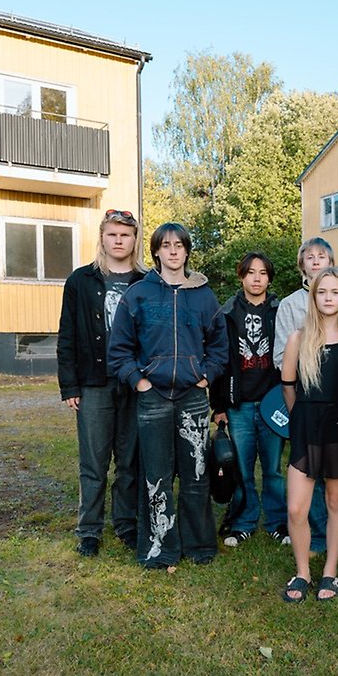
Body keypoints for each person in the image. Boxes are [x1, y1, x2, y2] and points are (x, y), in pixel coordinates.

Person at [108, 222, 228, 568]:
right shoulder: (139, 294)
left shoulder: (204, 296)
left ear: (187, 251)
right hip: (153, 396)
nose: (173, 251)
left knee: (196, 473)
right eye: (166, 245)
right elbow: (119, 350)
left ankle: (199, 544)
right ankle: (159, 547)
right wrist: (139, 382)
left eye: (179, 245)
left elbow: (219, 347)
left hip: (192, 396)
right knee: (156, 474)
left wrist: (205, 377)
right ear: (156, 252)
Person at [57, 208, 145, 557]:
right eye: (112, 234)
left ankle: (126, 524)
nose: (119, 240)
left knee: (129, 461)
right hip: (93, 383)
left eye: (125, 235)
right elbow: (67, 335)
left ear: (134, 240)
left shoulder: (146, 281)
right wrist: (70, 385)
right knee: (93, 463)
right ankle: (89, 530)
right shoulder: (81, 281)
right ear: (102, 238)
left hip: (134, 383)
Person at [274, 238, 338, 565]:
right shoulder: (299, 337)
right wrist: (301, 415)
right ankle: (306, 563)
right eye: (322, 293)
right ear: (312, 297)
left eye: (335, 292)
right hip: (307, 425)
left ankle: (335, 563)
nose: (328, 298)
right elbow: (288, 386)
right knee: (298, 505)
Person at [211, 252, 288, 547]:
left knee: (273, 470)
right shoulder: (227, 313)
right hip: (239, 405)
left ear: (269, 278)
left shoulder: (280, 311)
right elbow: (218, 360)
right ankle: (243, 521)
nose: (257, 279)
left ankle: (278, 522)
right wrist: (218, 406)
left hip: (272, 403)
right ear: (241, 276)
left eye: (263, 273)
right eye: (251, 272)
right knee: (243, 469)